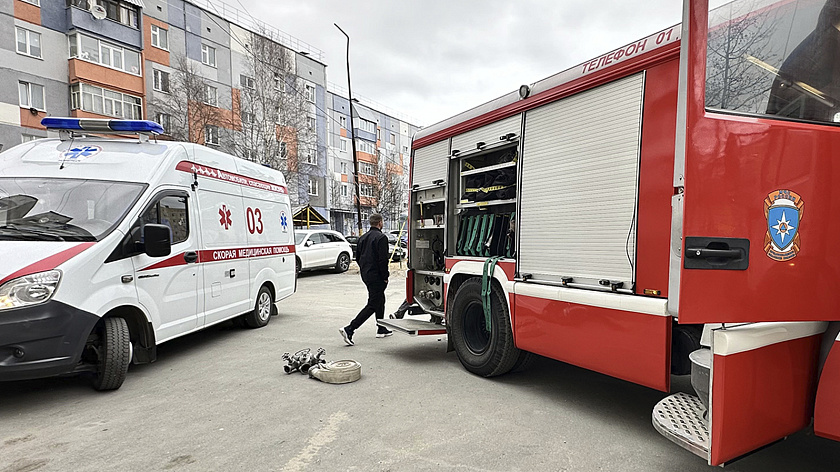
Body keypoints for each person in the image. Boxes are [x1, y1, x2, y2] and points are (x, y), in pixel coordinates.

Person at [340, 214, 393, 345]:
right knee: (373, 303)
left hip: (366, 274)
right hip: (377, 276)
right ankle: (350, 329)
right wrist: (385, 276)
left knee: (380, 300)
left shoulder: (362, 238)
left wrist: (365, 269)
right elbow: (382, 260)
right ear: (380, 223)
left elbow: (357, 257)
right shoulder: (381, 238)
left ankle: (381, 328)